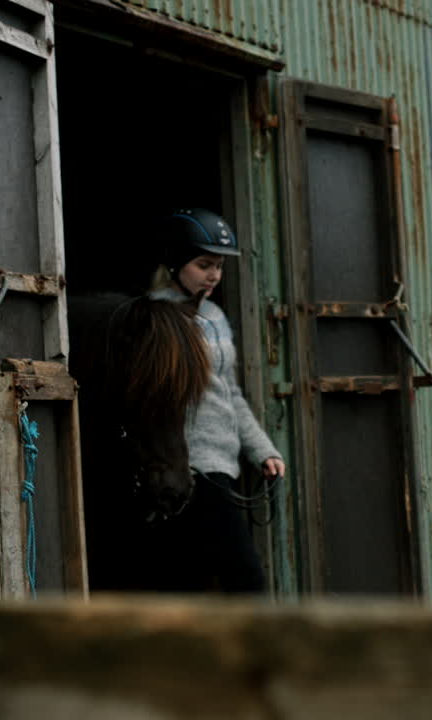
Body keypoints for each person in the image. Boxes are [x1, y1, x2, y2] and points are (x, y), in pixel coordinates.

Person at [146, 207, 285, 593]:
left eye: (219, 267)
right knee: (246, 579)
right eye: (204, 264)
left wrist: (262, 450)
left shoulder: (215, 316)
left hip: (224, 467)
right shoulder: (156, 318)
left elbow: (230, 393)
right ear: (175, 263)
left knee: (198, 579)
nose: (214, 276)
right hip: (190, 470)